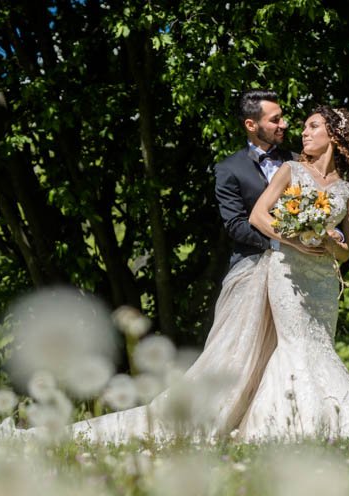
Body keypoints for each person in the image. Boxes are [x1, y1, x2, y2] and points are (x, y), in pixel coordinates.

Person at [71, 90, 311, 442]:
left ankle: (279, 421)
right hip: (250, 270)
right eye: (275, 119)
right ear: (251, 124)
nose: (283, 124)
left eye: (282, 117)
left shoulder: (297, 161)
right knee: (235, 353)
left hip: (294, 273)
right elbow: (235, 225)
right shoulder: (230, 169)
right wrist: (281, 241)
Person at [234, 106, 349, 440]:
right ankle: (285, 425)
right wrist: (295, 241)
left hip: (324, 283)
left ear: (334, 134)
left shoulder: (347, 192)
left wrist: (330, 241)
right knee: (295, 346)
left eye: (313, 126)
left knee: (320, 348)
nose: (304, 132)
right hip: (287, 274)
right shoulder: (291, 171)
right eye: (303, 128)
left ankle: (333, 421)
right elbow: (258, 216)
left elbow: (345, 253)